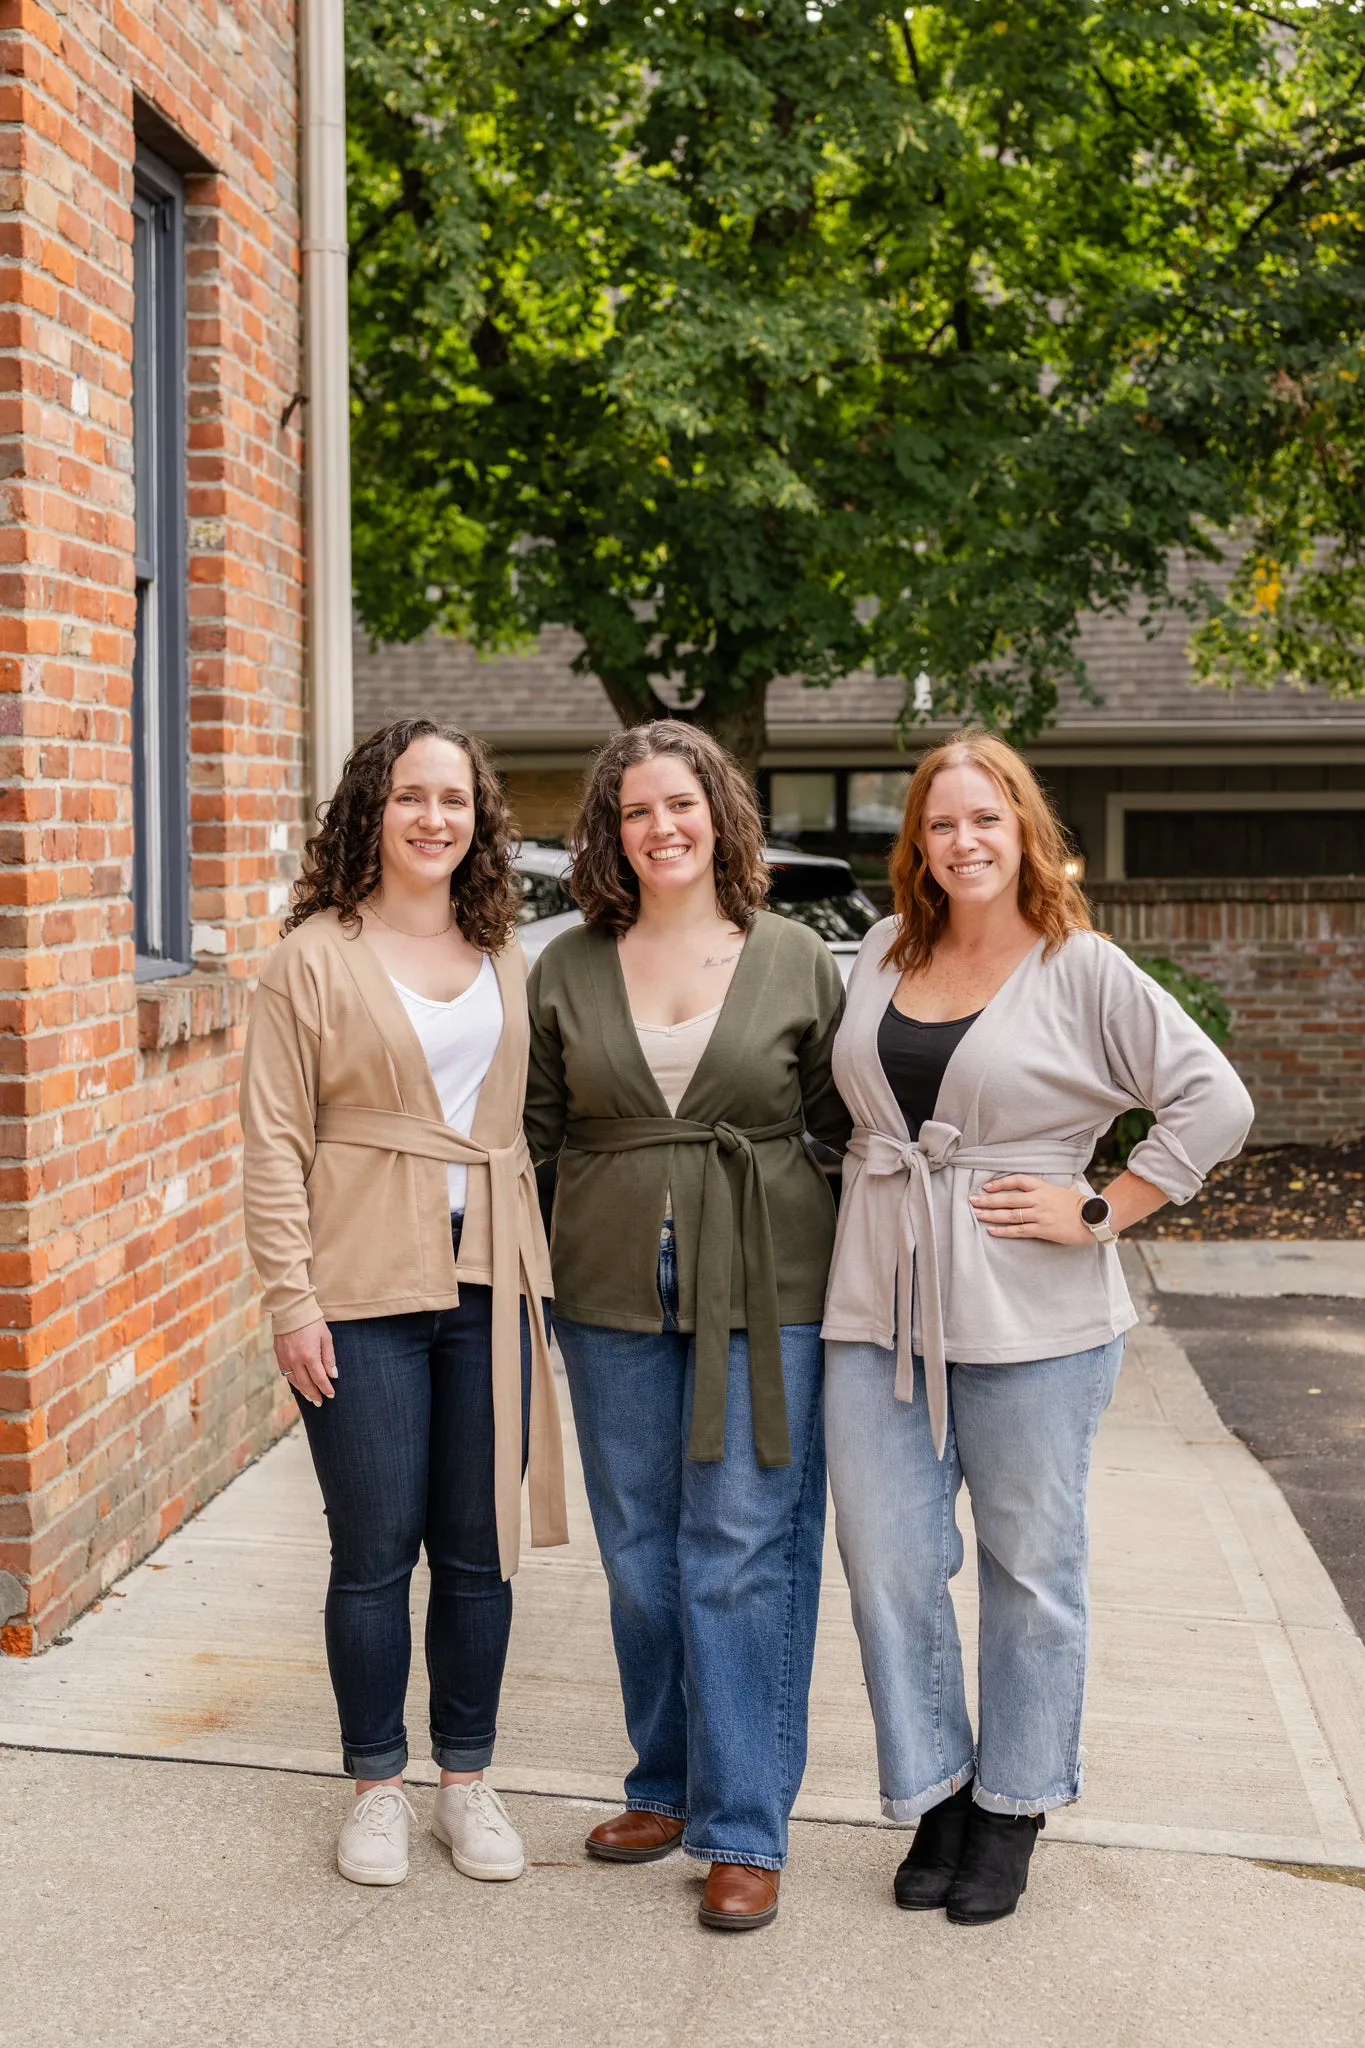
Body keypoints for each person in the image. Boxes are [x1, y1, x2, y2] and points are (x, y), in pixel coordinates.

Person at [821, 729, 1252, 1926]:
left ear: (1024, 830)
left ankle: (1012, 1803)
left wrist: (1105, 1203)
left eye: (985, 819)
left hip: (1035, 1316)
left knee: (1030, 1568)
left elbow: (1217, 1097)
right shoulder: (880, 948)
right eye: (940, 822)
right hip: (875, 1303)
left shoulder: (1082, 965)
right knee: (891, 1561)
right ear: (919, 840)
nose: (962, 840)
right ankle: (941, 1788)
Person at [524, 720, 850, 1932]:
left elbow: (840, 1125)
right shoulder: (563, 964)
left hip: (770, 1289)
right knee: (639, 1551)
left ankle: (744, 1824)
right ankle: (664, 1783)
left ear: (720, 813)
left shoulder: (794, 956)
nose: (661, 827)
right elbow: (535, 1138)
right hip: (606, 1287)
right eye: (635, 810)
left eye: (681, 803)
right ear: (610, 832)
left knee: (743, 1546)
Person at [240, 718, 566, 1888]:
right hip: (360, 1290)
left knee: (480, 1553)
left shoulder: (505, 951)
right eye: (412, 794)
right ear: (370, 808)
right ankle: (377, 1784)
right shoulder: (309, 958)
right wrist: (293, 1299)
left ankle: (466, 1780)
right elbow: (275, 1142)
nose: (436, 816)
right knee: (373, 1552)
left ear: (480, 819)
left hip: (487, 1286)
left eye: (458, 798)